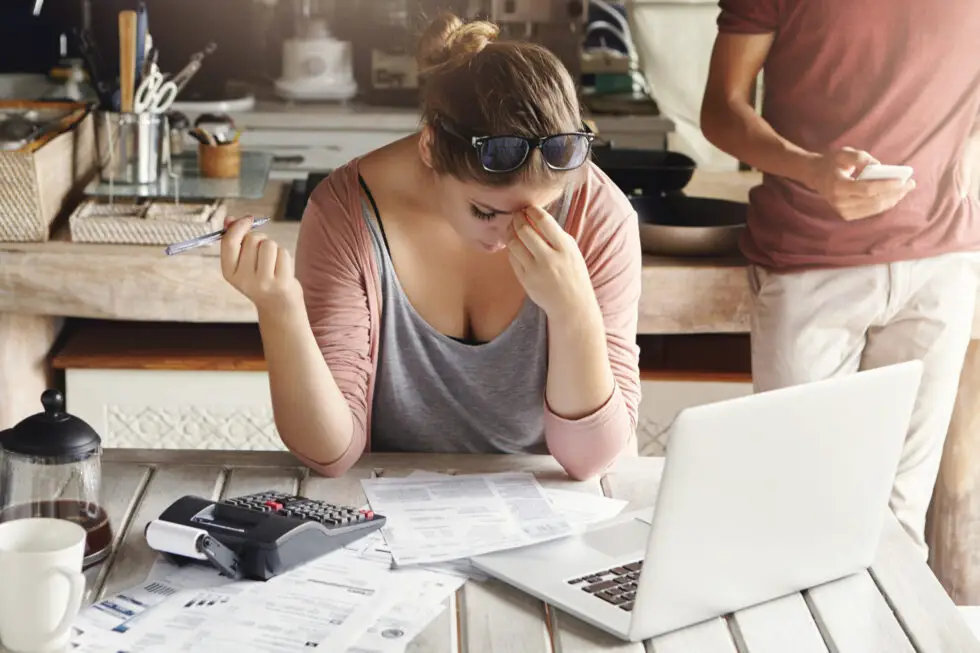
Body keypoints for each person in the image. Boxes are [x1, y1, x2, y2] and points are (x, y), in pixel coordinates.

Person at [218, 12, 643, 480]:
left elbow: (590, 462)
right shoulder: (345, 215)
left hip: (554, 511)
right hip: (392, 516)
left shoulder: (600, 214)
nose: (511, 238)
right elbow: (330, 454)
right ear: (429, 147)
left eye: (542, 210)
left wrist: (573, 309)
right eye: (485, 211)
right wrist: (281, 311)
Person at [700, 0, 980, 557]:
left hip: (942, 264)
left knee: (899, 524)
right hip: (810, 262)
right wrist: (809, 167)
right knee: (798, 517)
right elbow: (722, 109)